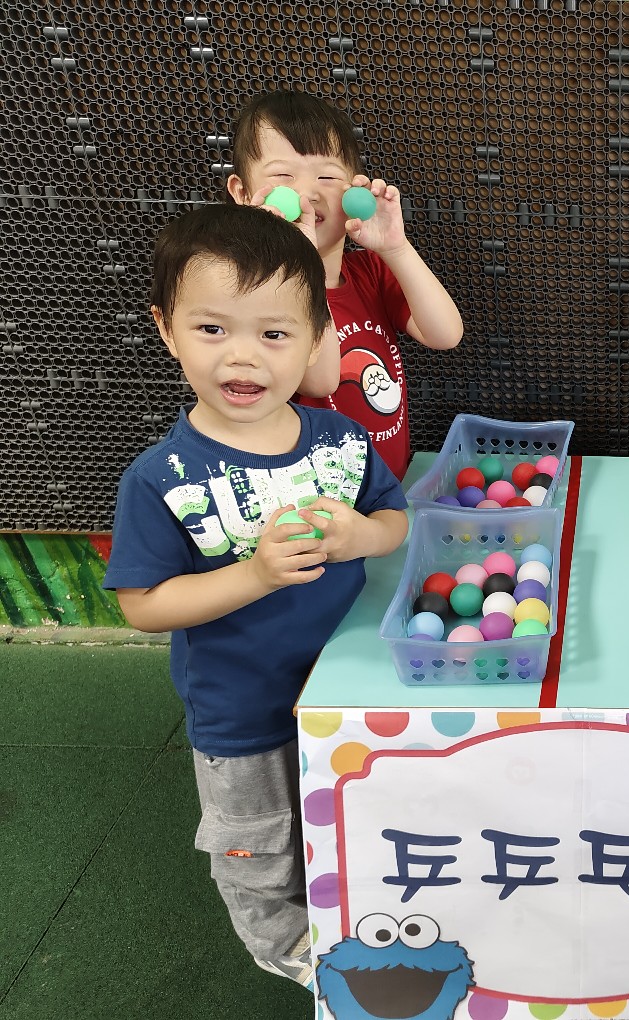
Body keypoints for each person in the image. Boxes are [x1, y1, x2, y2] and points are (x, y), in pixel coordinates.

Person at [103, 203, 409, 989]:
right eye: (212, 329)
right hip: (244, 714)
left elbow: (394, 521)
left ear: (316, 339)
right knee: (261, 846)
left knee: (354, 813)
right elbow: (142, 605)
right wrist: (255, 575)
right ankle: (288, 948)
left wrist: (360, 535)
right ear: (167, 329)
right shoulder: (160, 478)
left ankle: (360, 911)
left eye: (274, 333)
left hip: (350, 694)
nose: (243, 355)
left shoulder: (341, 442)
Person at [227, 88, 464, 480]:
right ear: (243, 193)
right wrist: (300, 262)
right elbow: (319, 381)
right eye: (283, 177)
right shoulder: (255, 295)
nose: (308, 192)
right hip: (316, 497)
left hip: (388, 487)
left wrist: (396, 247)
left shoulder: (370, 272)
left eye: (327, 176)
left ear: (354, 191)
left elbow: (446, 334)